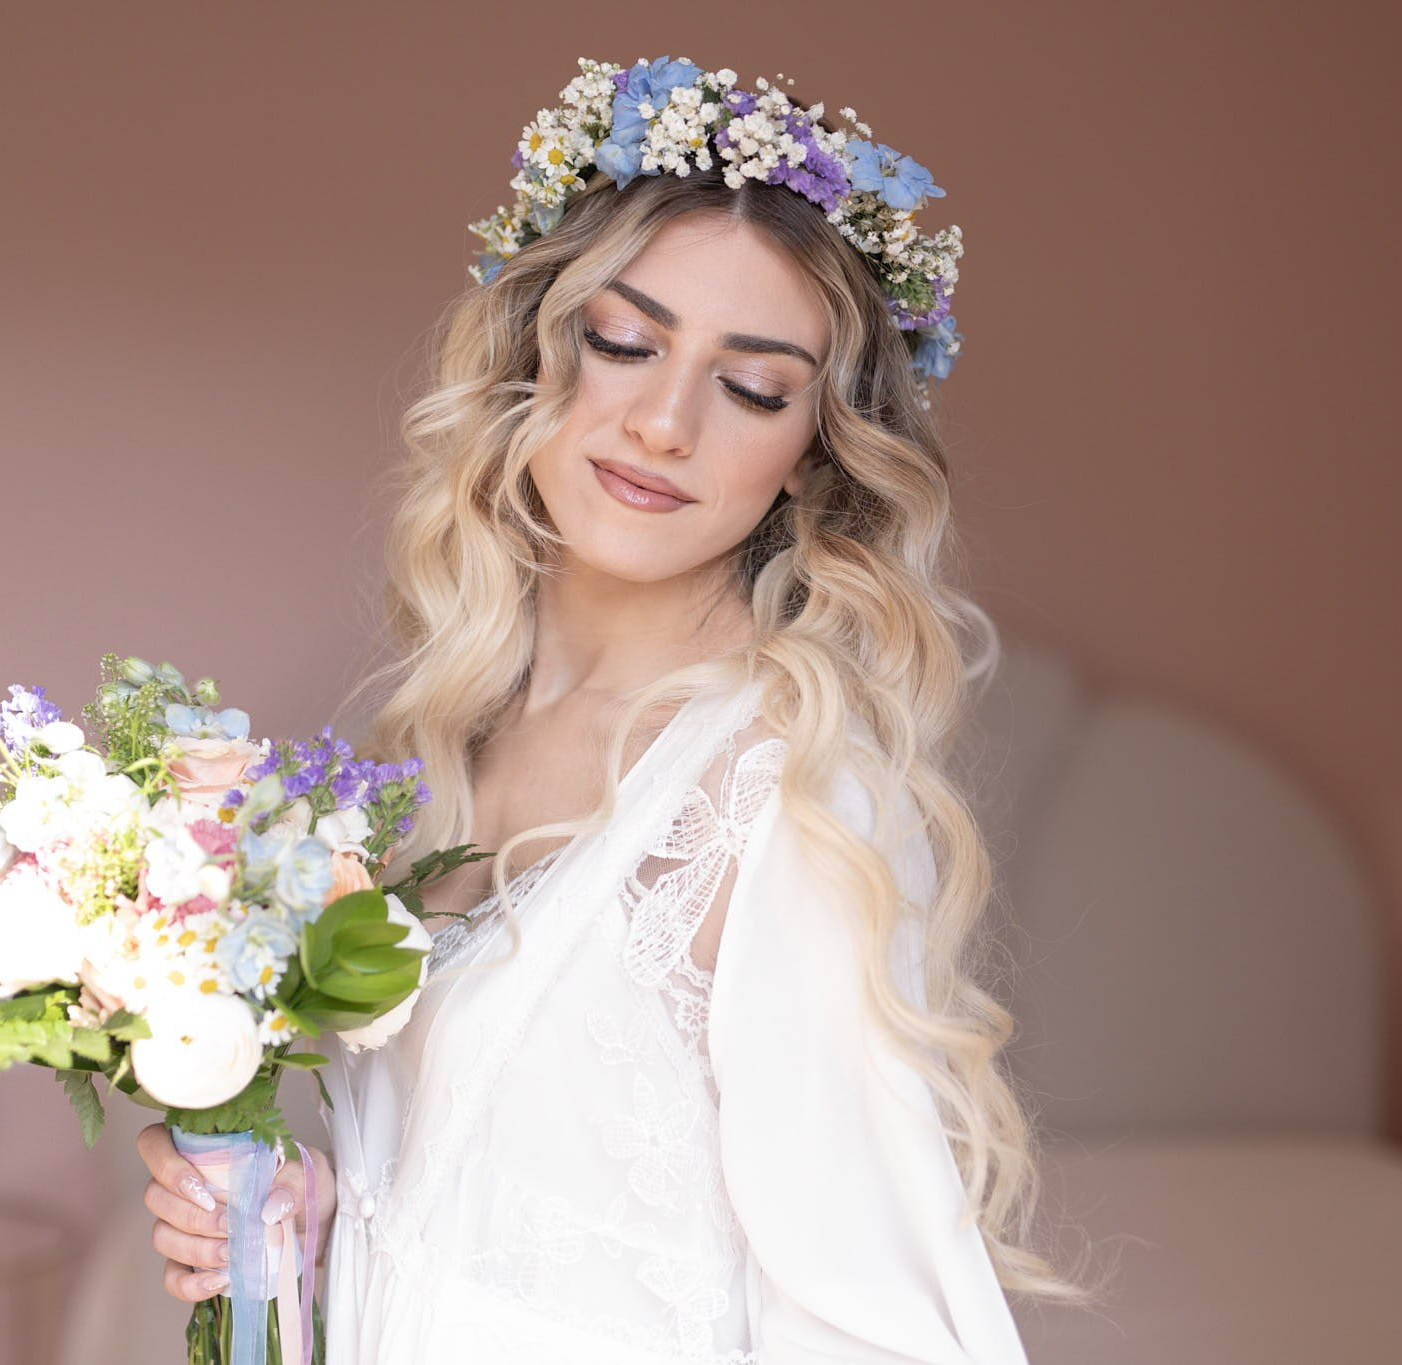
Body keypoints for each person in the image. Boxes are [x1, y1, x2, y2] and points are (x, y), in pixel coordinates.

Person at [136, 55, 1090, 1363]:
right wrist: (306, 1222)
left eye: (751, 387)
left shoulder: (791, 798)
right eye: (628, 342)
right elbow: (490, 1204)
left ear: (810, 452)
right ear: (543, 347)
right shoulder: (445, 735)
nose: (661, 421)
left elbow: (866, 1328)